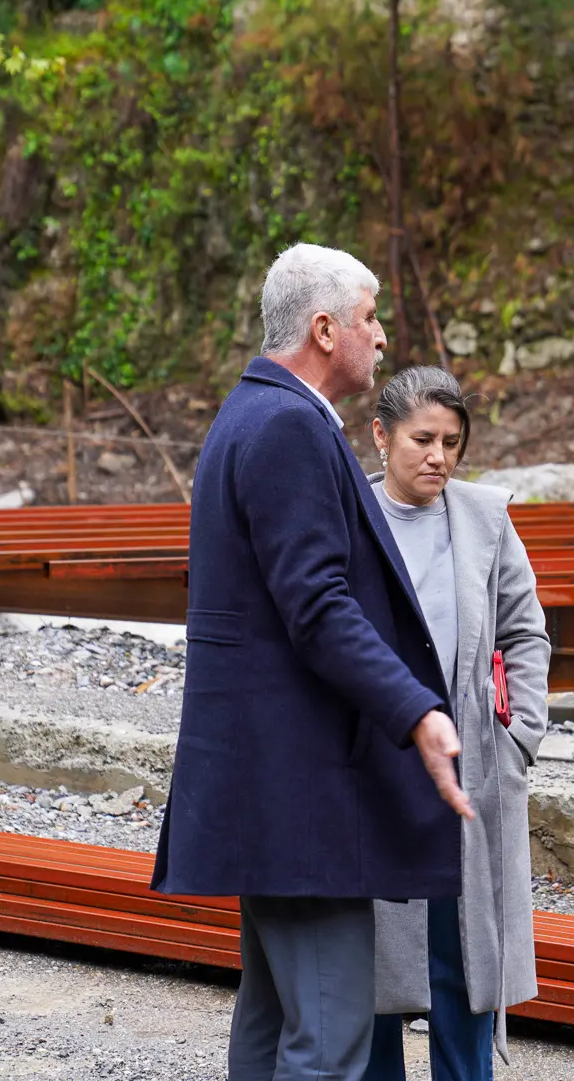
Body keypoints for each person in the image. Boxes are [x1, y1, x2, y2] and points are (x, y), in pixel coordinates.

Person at [151, 243, 475, 1081]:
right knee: (328, 1040)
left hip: (266, 792)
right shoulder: (290, 426)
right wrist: (419, 710)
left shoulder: (250, 414)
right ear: (325, 328)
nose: (381, 333)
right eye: (370, 317)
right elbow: (318, 606)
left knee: (272, 1025)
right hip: (301, 800)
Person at [361, 366, 550, 1081]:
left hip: (471, 768)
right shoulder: (353, 516)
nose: (438, 456)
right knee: (375, 966)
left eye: (451, 441)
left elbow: (526, 633)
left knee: (465, 960)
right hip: (378, 768)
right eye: (422, 439)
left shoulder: (483, 517)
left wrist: (519, 737)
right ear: (381, 435)